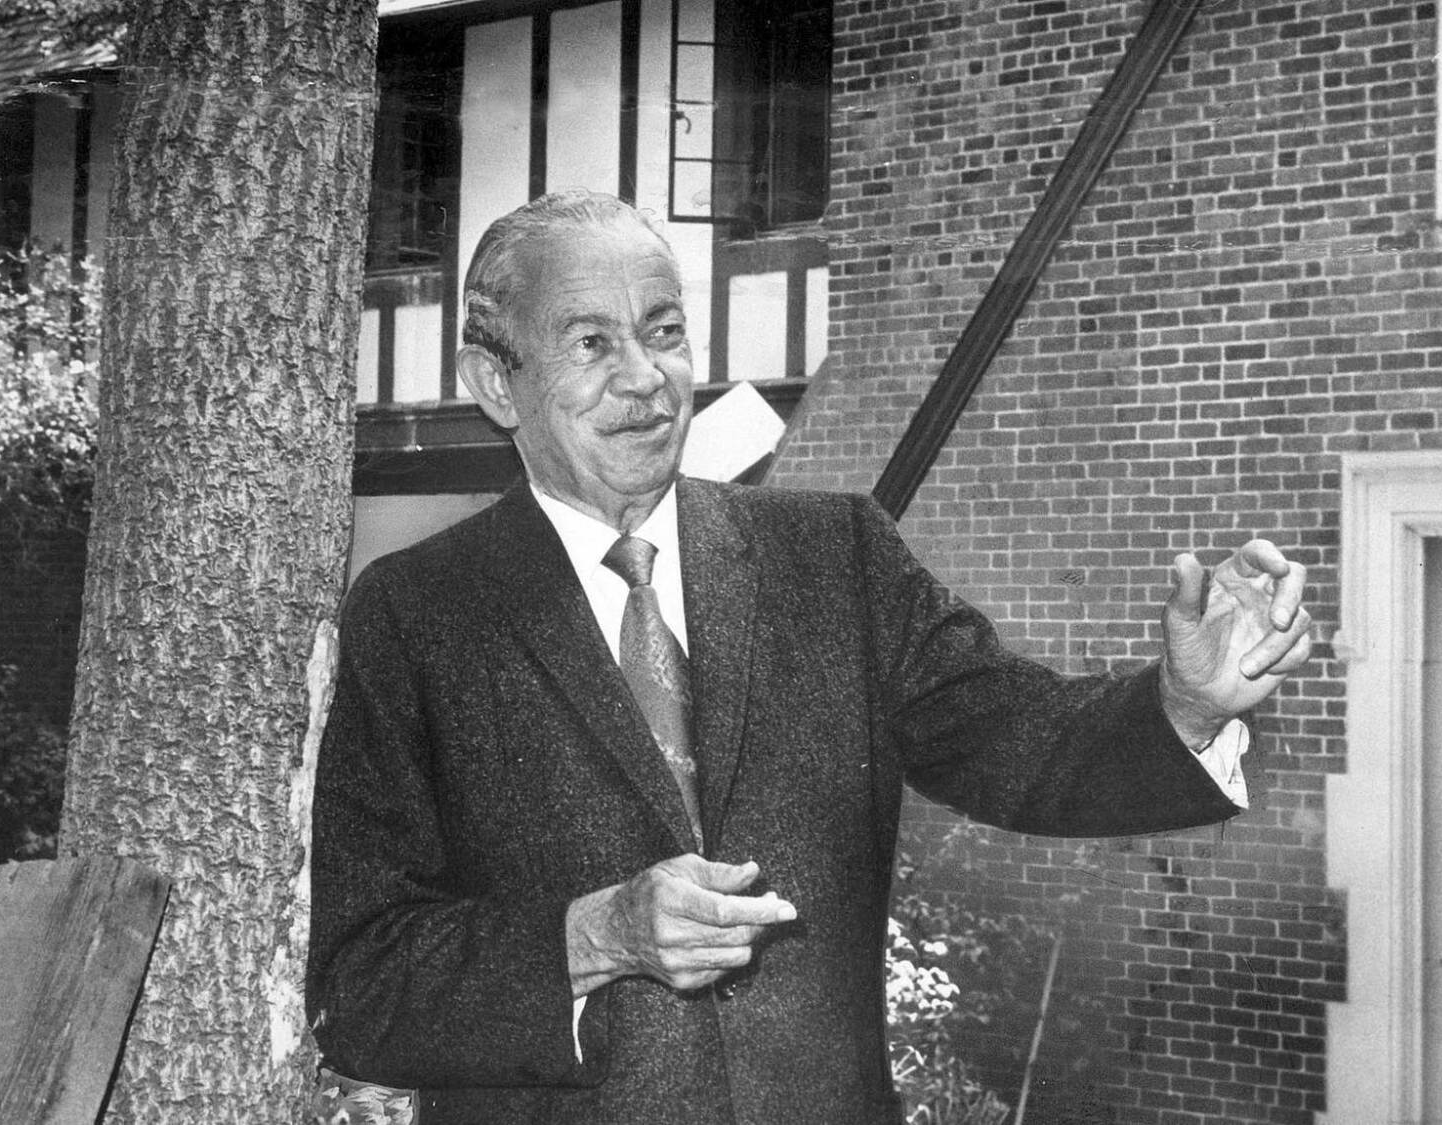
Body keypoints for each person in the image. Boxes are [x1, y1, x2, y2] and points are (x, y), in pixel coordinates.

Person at [305, 190, 1313, 1124]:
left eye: (663, 332)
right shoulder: (416, 615)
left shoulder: (835, 557)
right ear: (495, 381)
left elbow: (1027, 745)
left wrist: (1182, 704)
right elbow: (361, 988)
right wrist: (593, 936)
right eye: (588, 344)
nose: (643, 378)